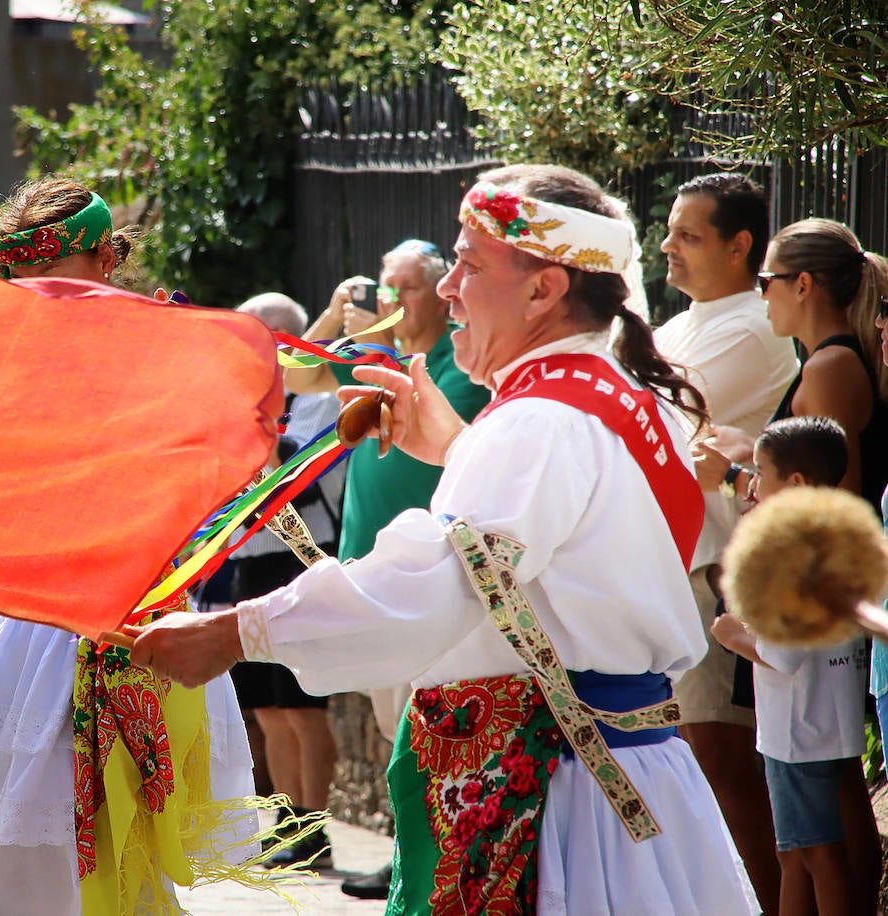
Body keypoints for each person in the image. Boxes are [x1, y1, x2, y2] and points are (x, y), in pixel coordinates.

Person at [127, 164, 758, 914]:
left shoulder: (539, 421)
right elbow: (559, 561)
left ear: (542, 289)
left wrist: (231, 633)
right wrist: (461, 447)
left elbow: (435, 589)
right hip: (619, 778)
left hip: (558, 801)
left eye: (471, 263)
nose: (450, 285)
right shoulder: (618, 398)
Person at [0, 176, 261, 916]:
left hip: (128, 618)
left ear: (106, 261)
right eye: (26, 275)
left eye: (57, 271)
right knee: (27, 852)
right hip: (34, 626)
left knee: (112, 844)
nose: (43, 292)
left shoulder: (154, 347)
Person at [284, 237, 490, 899]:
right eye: (384, 285)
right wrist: (336, 317)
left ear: (440, 290)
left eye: (403, 287)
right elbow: (292, 372)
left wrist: (367, 348)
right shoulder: (371, 350)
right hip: (369, 569)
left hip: (430, 576)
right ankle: (409, 855)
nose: (391, 299)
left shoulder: (464, 357)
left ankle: (426, 866)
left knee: (419, 732)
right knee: (388, 720)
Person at [653, 172, 796, 911]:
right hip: (665, 564)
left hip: (714, 567)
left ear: (740, 245)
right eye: (670, 230)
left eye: (688, 235)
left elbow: (659, 423)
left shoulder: (753, 323)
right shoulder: (676, 326)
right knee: (686, 755)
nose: (668, 247)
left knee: (719, 754)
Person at [711, 415, 878, 916]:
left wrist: (731, 633)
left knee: (816, 854)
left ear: (796, 483)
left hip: (797, 733)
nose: (753, 484)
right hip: (827, 724)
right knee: (796, 853)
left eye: (760, 471)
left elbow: (783, 654)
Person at [228, 292, 344, 870]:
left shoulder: (314, 395)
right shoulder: (243, 397)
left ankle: (315, 826)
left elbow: (313, 465)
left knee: (303, 705)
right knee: (268, 709)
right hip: (247, 558)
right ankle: (287, 822)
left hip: (296, 556)